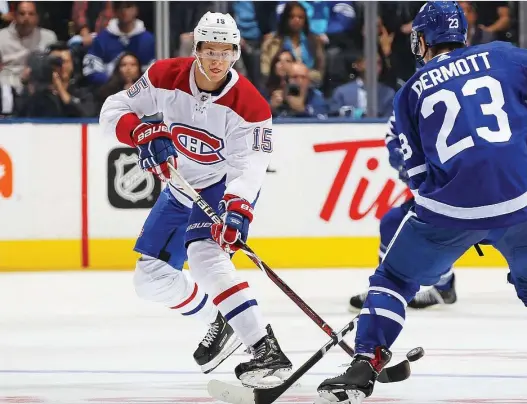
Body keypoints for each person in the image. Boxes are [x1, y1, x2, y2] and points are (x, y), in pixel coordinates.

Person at [317, 2, 527, 403]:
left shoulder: (412, 89)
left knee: (393, 280)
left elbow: (415, 175)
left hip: (451, 211)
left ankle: (365, 363)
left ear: (423, 39)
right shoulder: (505, 55)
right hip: (522, 201)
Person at [99, 11, 292, 388]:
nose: (217, 60)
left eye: (226, 51)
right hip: (178, 186)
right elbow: (112, 110)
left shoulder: (251, 106)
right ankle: (220, 321)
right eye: (209, 50)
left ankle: (264, 347)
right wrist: (141, 131)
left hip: (219, 186)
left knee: (206, 257)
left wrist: (237, 211)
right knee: (149, 279)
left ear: (236, 52)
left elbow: (249, 167)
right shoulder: (164, 76)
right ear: (197, 49)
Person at [348, 112, 457, 311]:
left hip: (461, 192)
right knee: (393, 224)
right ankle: (390, 289)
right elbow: (393, 130)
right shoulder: (411, 98)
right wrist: (398, 153)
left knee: (442, 233)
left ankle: (388, 290)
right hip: (440, 193)